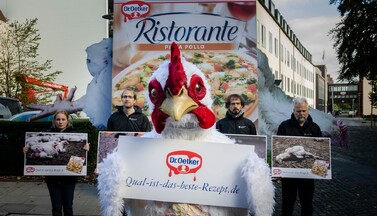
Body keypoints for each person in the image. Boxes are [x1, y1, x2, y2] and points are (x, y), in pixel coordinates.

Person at [23, 110, 89, 216]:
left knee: (68, 207)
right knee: (56, 207)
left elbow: (80, 160)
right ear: (54, 121)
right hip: (52, 178)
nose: (60, 122)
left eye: (63, 119)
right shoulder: (47, 133)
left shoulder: (75, 134)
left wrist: (86, 149)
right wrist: (26, 150)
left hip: (69, 178)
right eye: (58, 119)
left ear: (67, 121)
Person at [277, 97, 323, 216]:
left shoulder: (315, 128)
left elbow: (324, 146)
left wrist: (321, 170)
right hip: (289, 177)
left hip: (307, 177)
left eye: (303, 111)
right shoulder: (284, 126)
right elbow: (276, 147)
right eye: (298, 111)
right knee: (287, 204)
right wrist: (278, 173)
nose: (301, 113)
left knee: (307, 204)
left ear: (308, 111)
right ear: (293, 111)